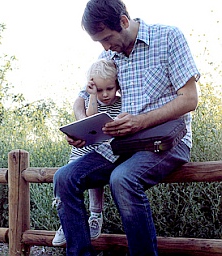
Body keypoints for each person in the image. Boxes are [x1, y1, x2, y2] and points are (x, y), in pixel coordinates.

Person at [53, 0, 200, 255]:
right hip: (123, 145)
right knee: (64, 178)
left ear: (123, 21)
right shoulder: (108, 55)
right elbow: (82, 97)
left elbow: (190, 99)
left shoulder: (168, 37)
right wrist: (82, 128)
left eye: (107, 38)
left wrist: (140, 121)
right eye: (99, 42)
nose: (105, 46)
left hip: (166, 141)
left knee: (122, 178)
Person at [52, 58, 121, 246]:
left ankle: (95, 215)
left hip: (106, 149)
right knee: (68, 175)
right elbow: (90, 117)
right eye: (99, 90)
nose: (105, 94)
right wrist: (92, 96)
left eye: (109, 89)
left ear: (117, 85)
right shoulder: (94, 99)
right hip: (88, 146)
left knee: (91, 174)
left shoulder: (123, 103)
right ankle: (67, 223)